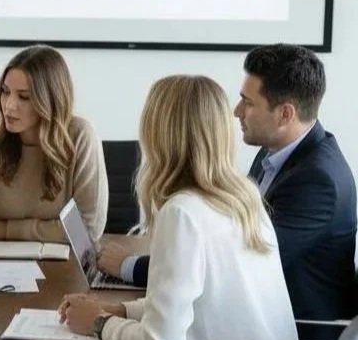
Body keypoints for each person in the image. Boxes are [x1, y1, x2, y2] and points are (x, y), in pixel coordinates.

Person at [60, 75, 304, 340]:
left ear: (158, 135)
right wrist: (120, 309)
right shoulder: (244, 199)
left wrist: (99, 324)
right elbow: (202, 300)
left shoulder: (183, 213)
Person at [98, 44, 357, 322]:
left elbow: (235, 267)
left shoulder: (319, 181)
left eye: (248, 102)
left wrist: (129, 266)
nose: (236, 111)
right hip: (253, 317)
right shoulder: (275, 152)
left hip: (301, 334)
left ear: (285, 114)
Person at [0, 44, 108, 261]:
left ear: (50, 100)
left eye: (24, 97)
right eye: (5, 92)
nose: (9, 105)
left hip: (66, 268)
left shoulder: (80, 135)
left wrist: (6, 230)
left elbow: (86, 228)